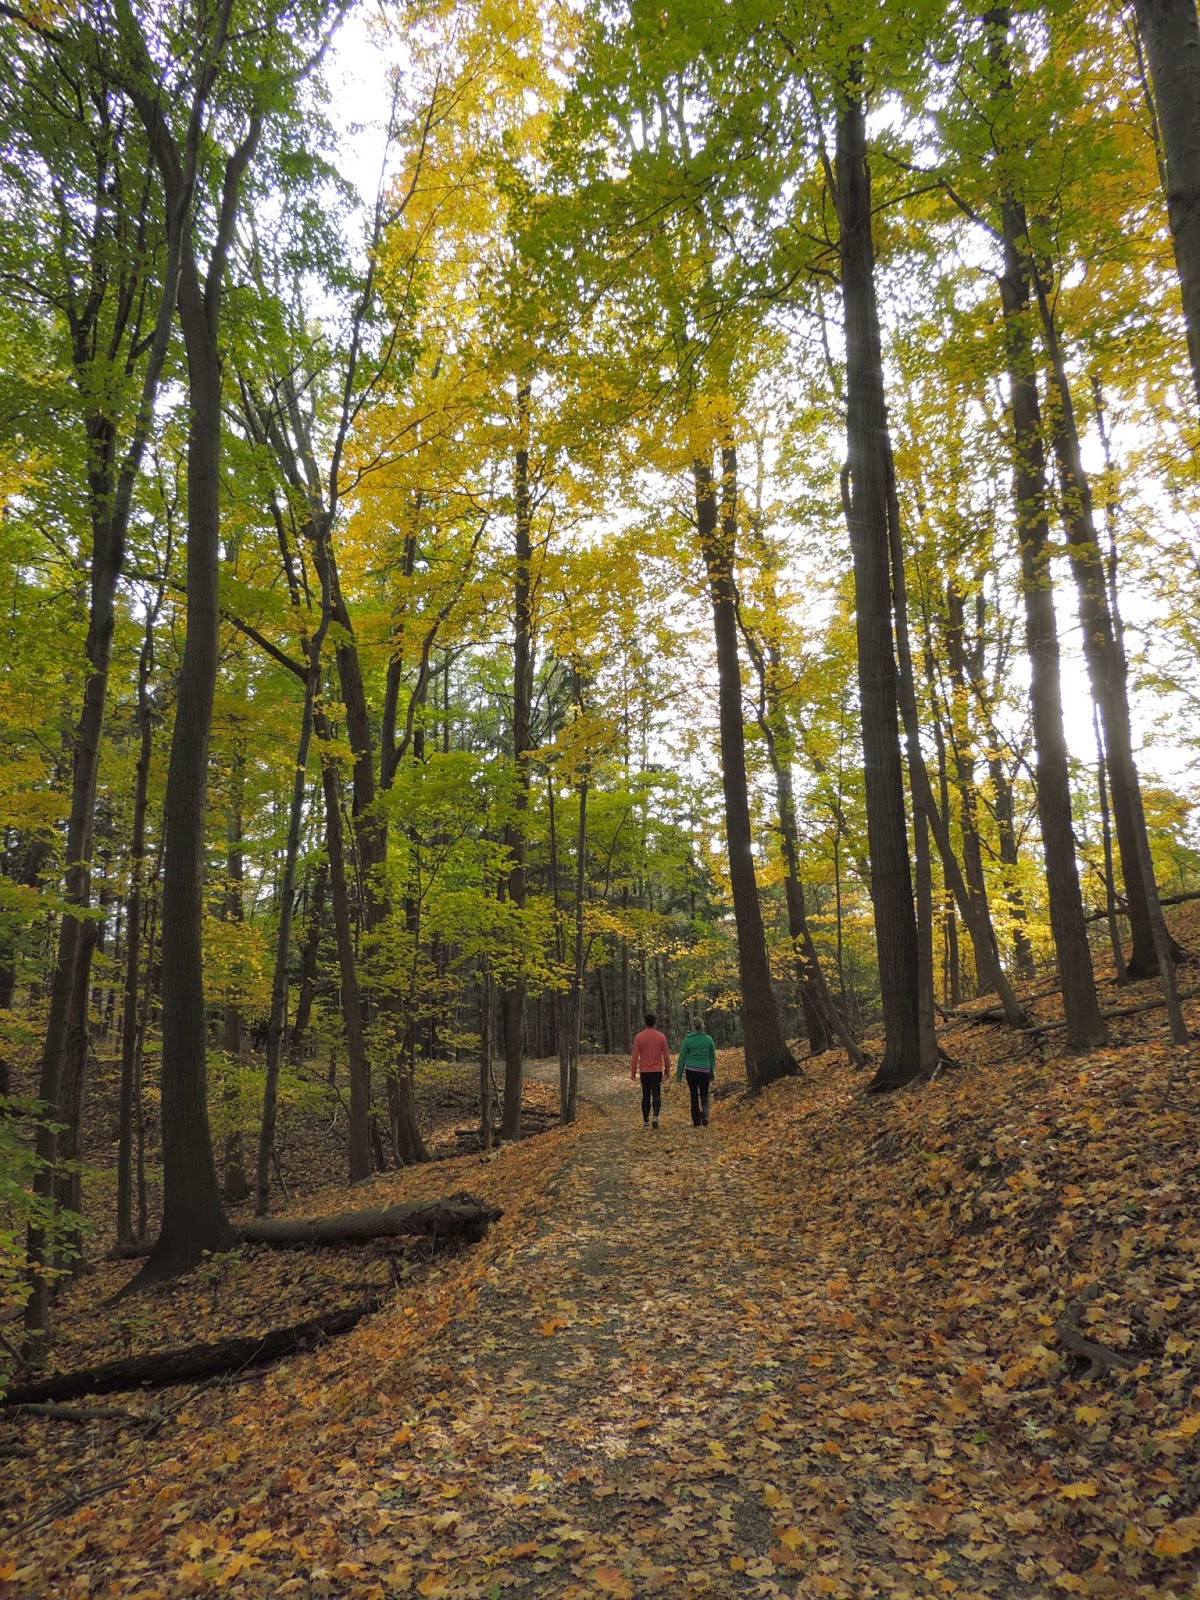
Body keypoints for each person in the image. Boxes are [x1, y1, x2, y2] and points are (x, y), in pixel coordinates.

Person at [630, 1012, 671, 1129]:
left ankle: (646, 1120)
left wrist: (633, 1071)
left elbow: (635, 1056)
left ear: (645, 1022)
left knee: (646, 1095)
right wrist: (667, 1069)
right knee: (656, 1094)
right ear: (654, 1023)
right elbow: (666, 1055)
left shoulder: (639, 1037)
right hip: (657, 1070)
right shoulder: (661, 1037)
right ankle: (655, 1116)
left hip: (644, 1071)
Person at [675, 1016, 716, 1127]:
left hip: (691, 1071)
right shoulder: (708, 1039)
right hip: (704, 1070)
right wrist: (712, 1071)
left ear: (693, 1026)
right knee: (704, 1094)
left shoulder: (688, 1040)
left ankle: (696, 1121)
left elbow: (682, 1058)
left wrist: (679, 1075)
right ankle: (705, 1114)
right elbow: (712, 1057)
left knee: (694, 1095)